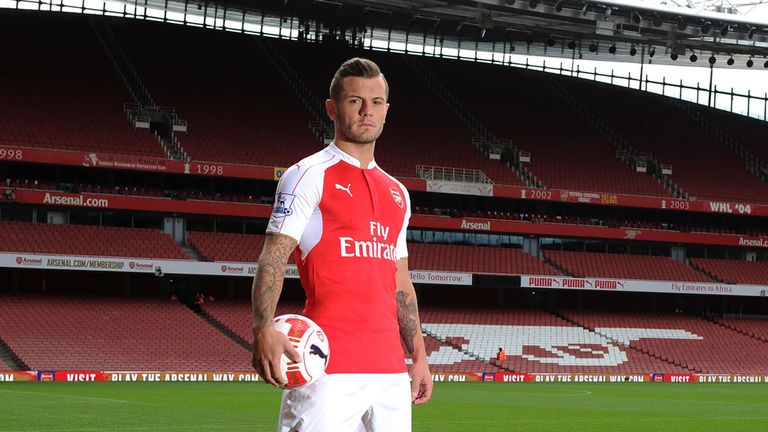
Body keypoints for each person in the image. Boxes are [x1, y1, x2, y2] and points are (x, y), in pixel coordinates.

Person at [251, 57, 433, 432]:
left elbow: (400, 282)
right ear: (332, 109)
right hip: (327, 369)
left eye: (377, 102)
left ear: (387, 110)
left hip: (390, 373)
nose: (368, 111)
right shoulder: (307, 175)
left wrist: (418, 356)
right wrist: (262, 327)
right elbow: (274, 257)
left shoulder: (398, 192)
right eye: (355, 101)